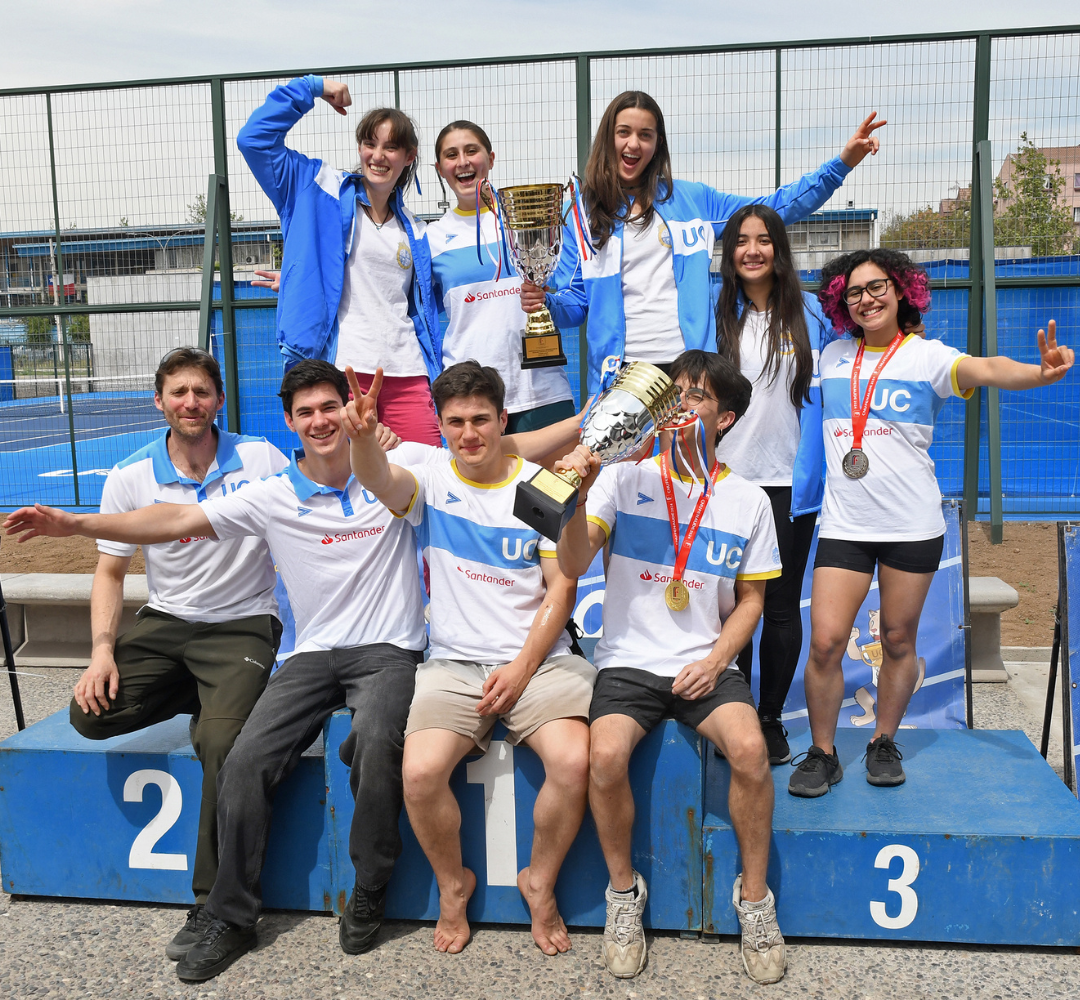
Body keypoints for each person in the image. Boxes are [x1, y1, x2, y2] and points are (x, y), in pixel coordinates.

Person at [4, 361, 584, 982]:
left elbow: (497, 446)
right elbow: (172, 523)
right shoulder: (273, 493)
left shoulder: (407, 466)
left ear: (351, 411)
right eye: (305, 412)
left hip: (389, 648)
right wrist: (76, 523)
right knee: (244, 756)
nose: (319, 420)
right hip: (309, 655)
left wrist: (590, 422)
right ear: (289, 423)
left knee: (378, 740)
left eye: (329, 407)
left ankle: (369, 885)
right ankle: (230, 914)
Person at [790, 249, 1074, 797]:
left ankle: (883, 741)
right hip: (845, 526)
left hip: (911, 526)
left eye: (877, 288)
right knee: (824, 643)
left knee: (898, 639)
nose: (866, 299)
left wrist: (1039, 373)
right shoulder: (831, 357)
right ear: (840, 304)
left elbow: (987, 369)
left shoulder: (926, 357)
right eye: (853, 292)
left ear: (901, 293)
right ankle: (822, 753)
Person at [344, 360, 594, 956]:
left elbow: (562, 588)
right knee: (421, 772)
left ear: (502, 419)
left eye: (481, 419)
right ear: (440, 425)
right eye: (454, 422)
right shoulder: (430, 473)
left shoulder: (535, 486)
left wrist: (521, 668)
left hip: (537, 661)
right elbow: (379, 479)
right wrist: (359, 439)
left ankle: (540, 881)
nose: (468, 433)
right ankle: (453, 886)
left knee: (573, 761)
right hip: (454, 665)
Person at [553, 351, 788, 985]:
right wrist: (574, 498)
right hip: (628, 660)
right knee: (604, 757)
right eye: (673, 394)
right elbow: (573, 564)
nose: (679, 405)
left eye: (697, 397)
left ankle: (756, 900)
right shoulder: (623, 477)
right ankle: (624, 897)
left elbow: (753, 603)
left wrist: (716, 663)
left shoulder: (746, 500)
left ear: (727, 416)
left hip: (704, 661)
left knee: (749, 751)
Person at [52, 347, 287, 961]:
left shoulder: (259, 458)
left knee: (220, 744)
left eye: (202, 392)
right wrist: (101, 651)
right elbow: (109, 573)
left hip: (242, 624)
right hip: (166, 623)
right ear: (159, 401)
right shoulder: (130, 475)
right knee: (89, 715)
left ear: (220, 401)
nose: (191, 403)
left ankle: (220, 905)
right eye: (178, 392)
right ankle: (213, 695)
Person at [520, 92, 885, 393]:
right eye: (624, 132)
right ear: (607, 138)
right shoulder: (580, 213)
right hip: (620, 377)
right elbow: (576, 305)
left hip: (690, 371)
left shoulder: (692, 200)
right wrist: (545, 304)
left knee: (688, 479)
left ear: (657, 143)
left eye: (645, 135)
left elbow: (776, 207)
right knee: (623, 481)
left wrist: (841, 164)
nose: (633, 144)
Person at [238, 75, 442, 444]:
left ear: (409, 156)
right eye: (370, 143)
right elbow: (254, 139)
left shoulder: (416, 229)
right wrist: (312, 88)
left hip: (408, 373)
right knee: (348, 487)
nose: (378, 156)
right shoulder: (316, 186)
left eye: (391, 147)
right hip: (341, 372)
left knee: (422, 480)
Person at [712, 204, 830, 764]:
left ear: (779, 250)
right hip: (723, 484)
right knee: (727, 605)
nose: (753, 250)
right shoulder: (711, 316)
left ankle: (770, 718)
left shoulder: (811, 313)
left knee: (780, 609)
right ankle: (727, 713)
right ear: (729, 253)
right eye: (741, 241)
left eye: (764, 240)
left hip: (788, 486)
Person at [428, 121, 576, 432]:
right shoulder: (431, 239)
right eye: (451, 155)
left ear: (490, 158)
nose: (463, 162)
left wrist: (545, 301)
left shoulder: (532, 220)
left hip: (541, 392)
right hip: (472, 402)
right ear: (440, 168)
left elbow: (573, 303)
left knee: (553, 482)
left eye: (472, 151)